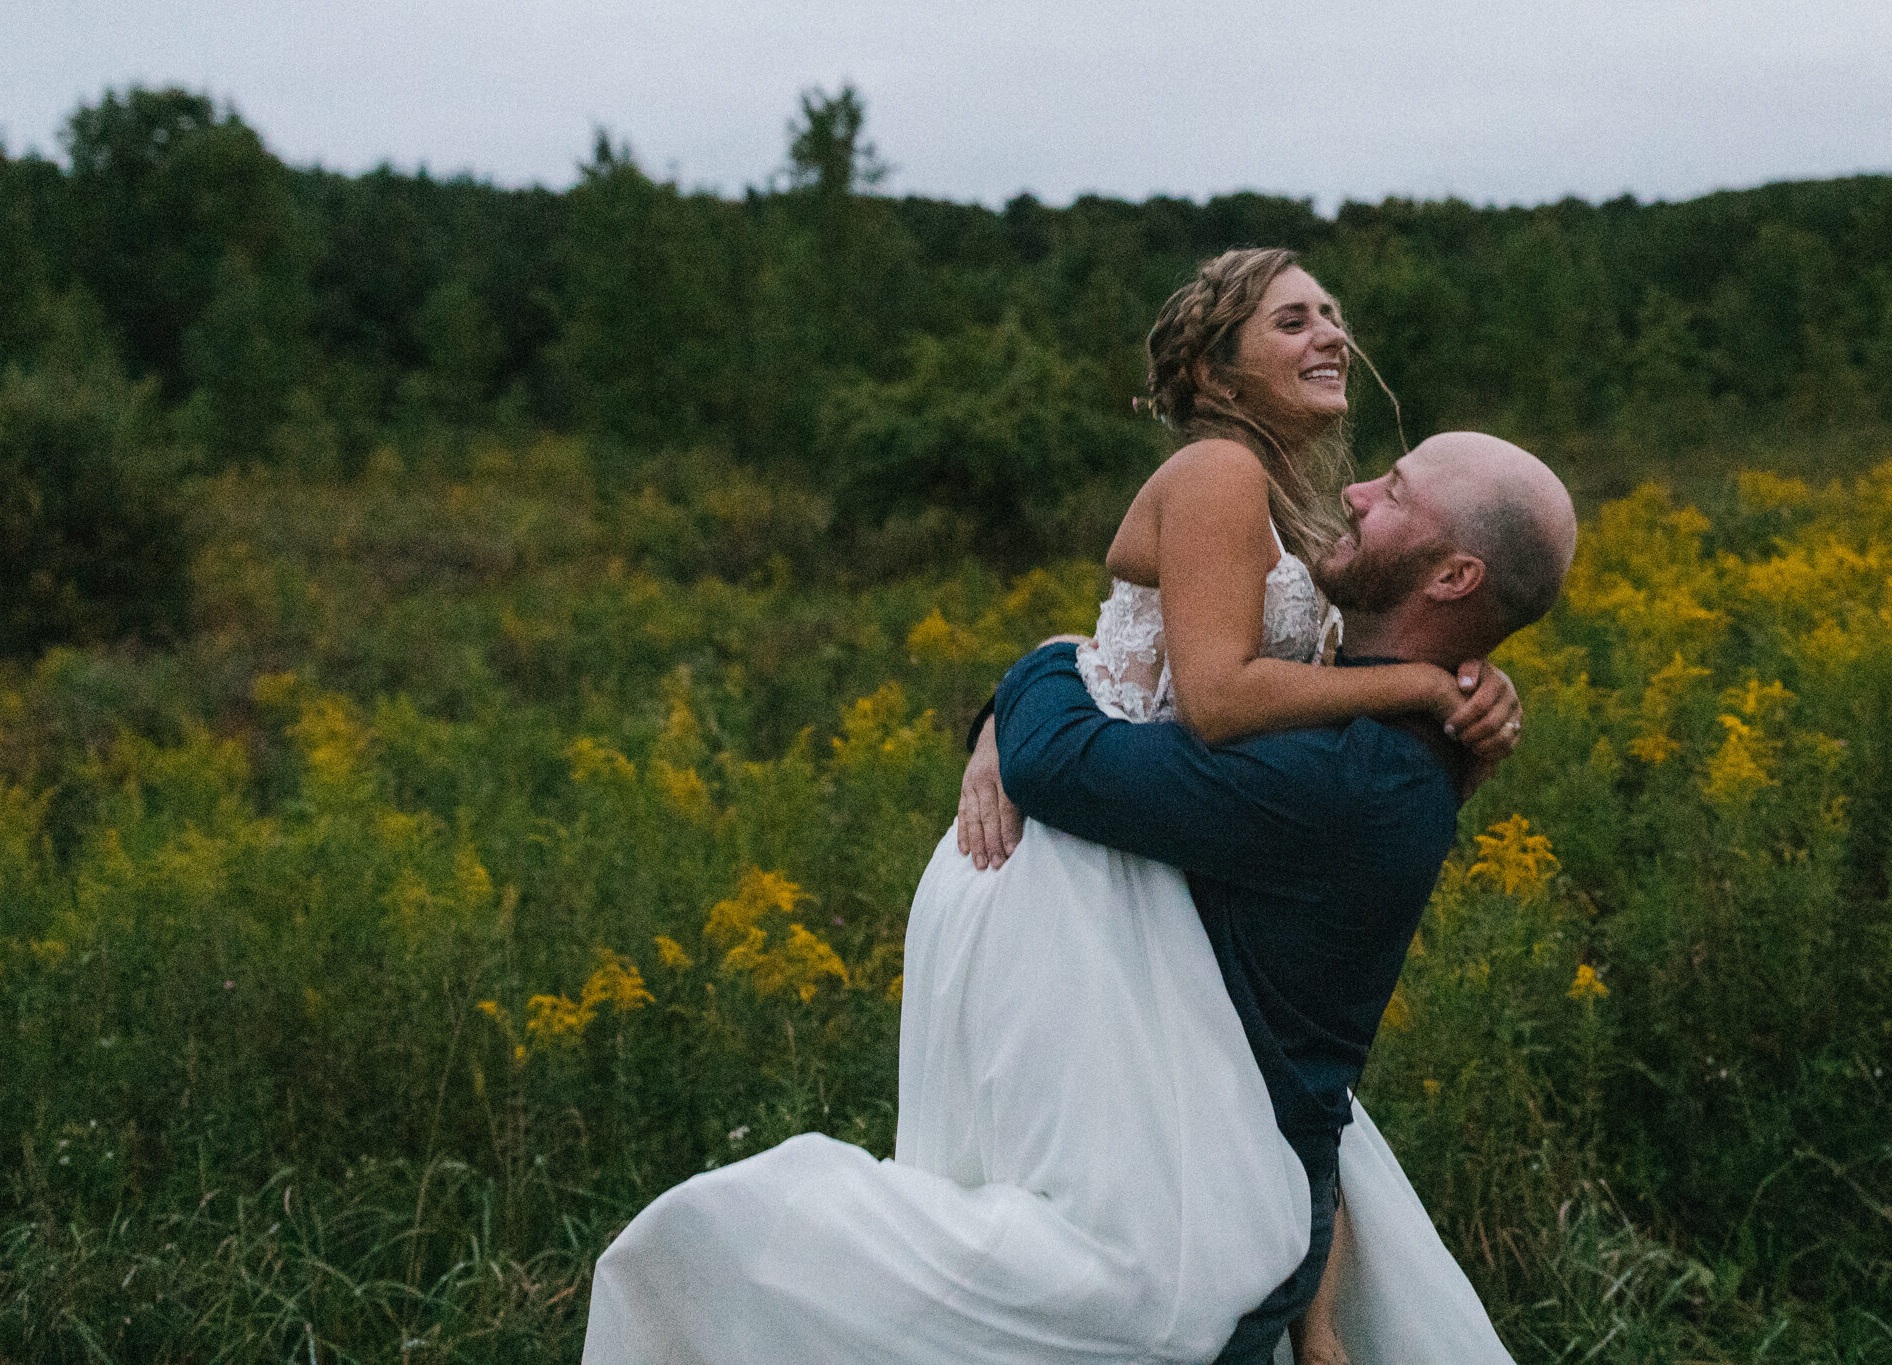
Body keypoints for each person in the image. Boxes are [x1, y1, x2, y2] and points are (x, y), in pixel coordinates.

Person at [580, 252, 1574, 1363]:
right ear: (1215, 367)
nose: (1331, 340)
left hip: (1099, 885)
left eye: (1393, 494)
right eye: (1291, 319)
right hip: (1072, 886)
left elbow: (1150, 723)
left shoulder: (1357, 762)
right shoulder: (1240, 507)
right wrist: (1433, 687)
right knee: (1054, 1216)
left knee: (1060, 1240)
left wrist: (1031, 686)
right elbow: (1206, 693)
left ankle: (743, 1263)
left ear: (1450, 581)